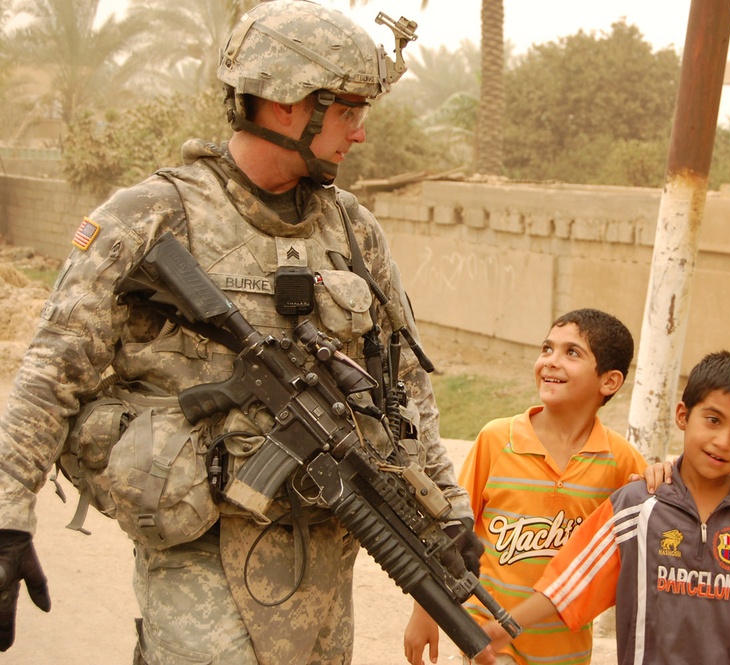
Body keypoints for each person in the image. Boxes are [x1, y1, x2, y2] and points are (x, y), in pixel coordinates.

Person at [0, 2, 479, 664]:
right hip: (200, 553)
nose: (360, 133)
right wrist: (7, 516)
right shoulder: (150, 218)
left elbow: (404, 387)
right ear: (286, 103)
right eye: (347, 110)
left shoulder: (352, 231)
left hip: (323, 561)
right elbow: (51, 375)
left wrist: (446, 512)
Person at [475, 350, 730, 664]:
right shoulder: (636, 505)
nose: (723, 441)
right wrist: (503, 627)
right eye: (713, 420)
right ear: (682, 416)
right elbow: (566, 585)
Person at [403, 308, 656, 665]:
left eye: (572, 353)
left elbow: (656, 509)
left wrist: (660, 476)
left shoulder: (619, 459)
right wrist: (424, 611)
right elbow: (446, 531)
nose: (551, 361)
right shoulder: (497, 439)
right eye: (547, 348)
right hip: (488, 644)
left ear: (609, 382)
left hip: (566, 652)